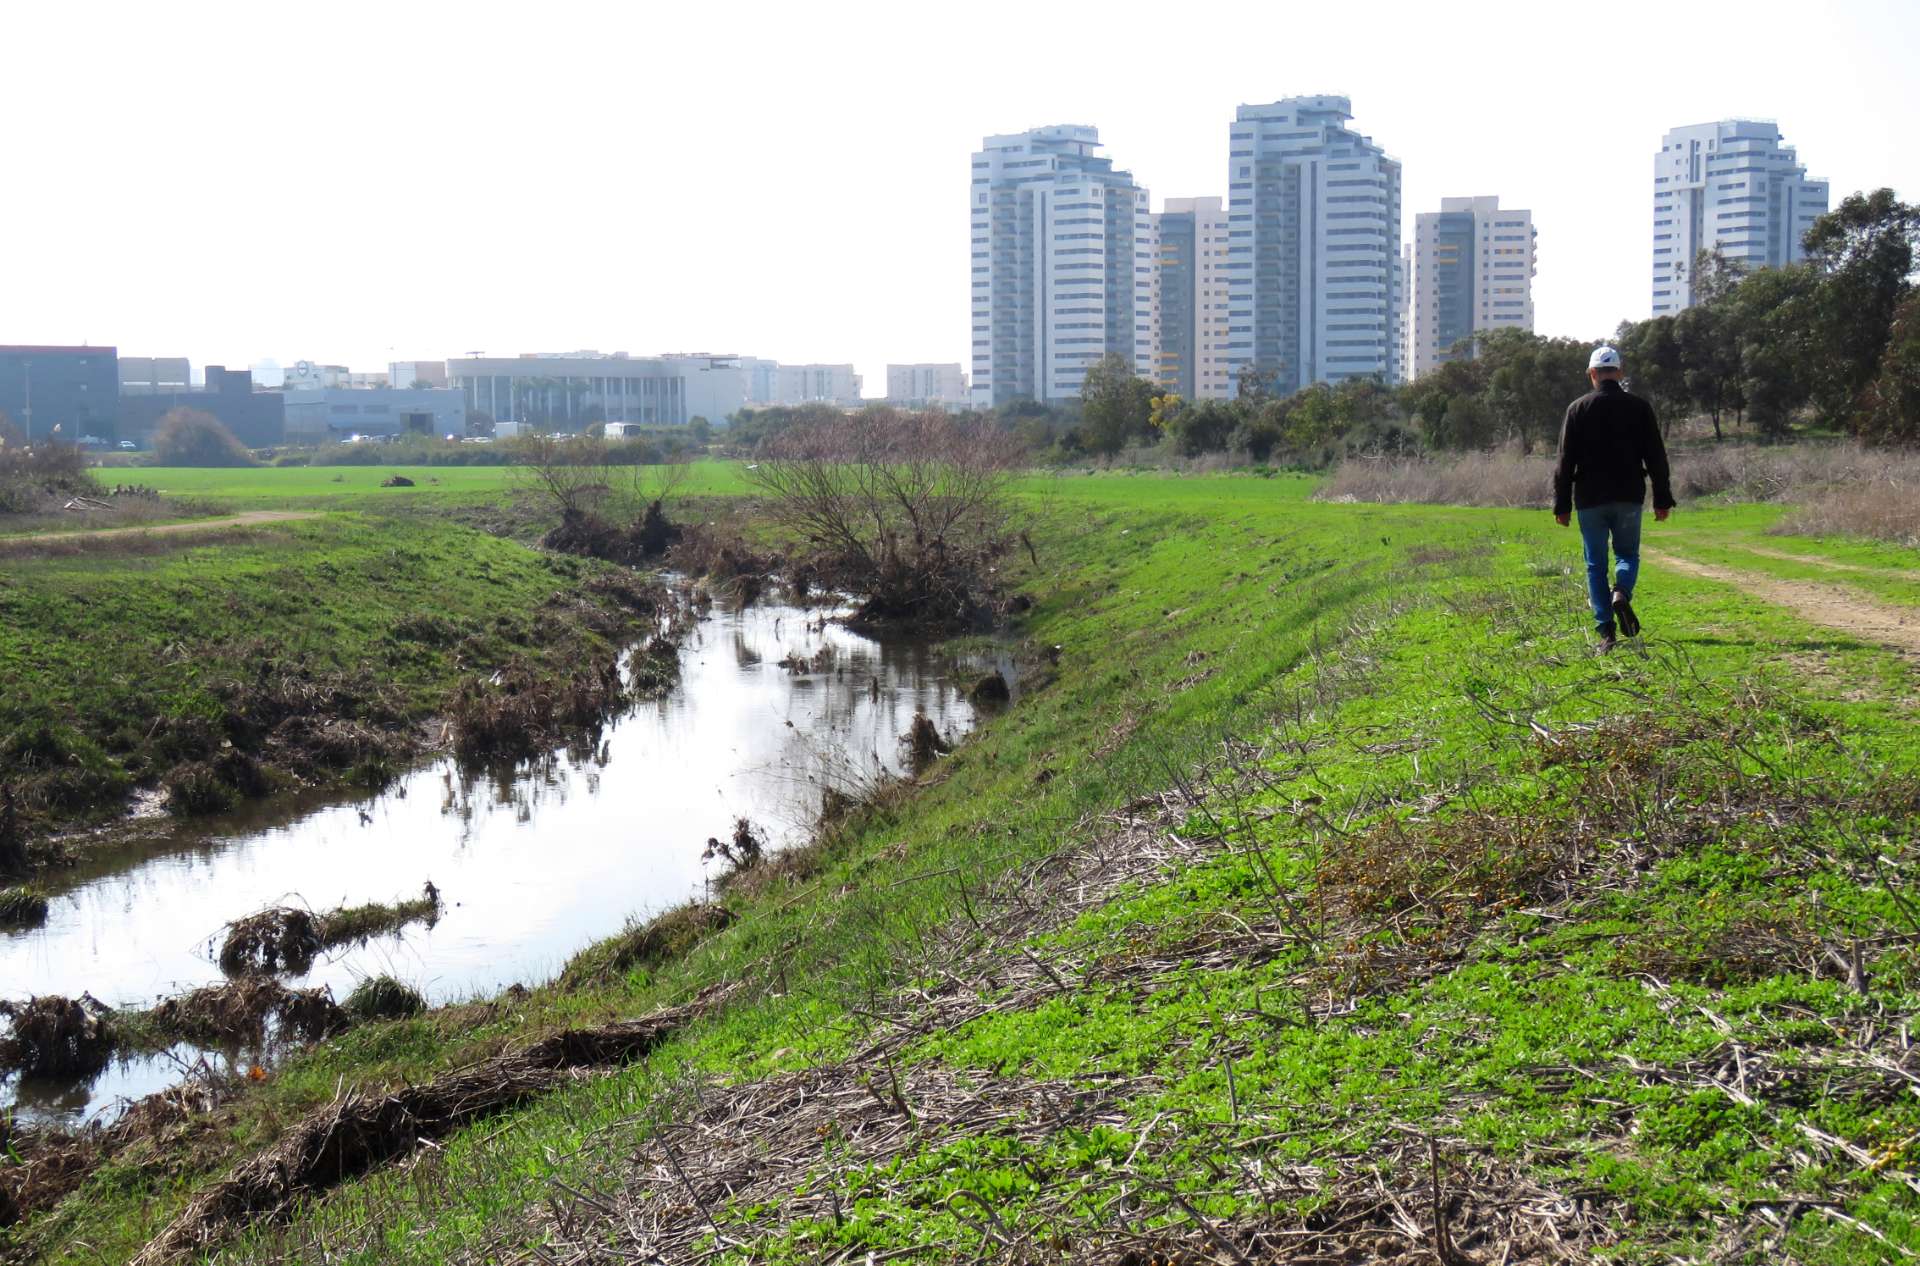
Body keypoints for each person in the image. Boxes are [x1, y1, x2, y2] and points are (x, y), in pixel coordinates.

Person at [1552, 346, 1674, 651]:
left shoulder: (1577, 409)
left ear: (1592, 374)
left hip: (1590, 499)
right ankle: (1620, 591)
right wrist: (1662, 498)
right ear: (1619, 373)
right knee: (1627, 556)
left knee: (1595, 564)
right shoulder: (1640, 407)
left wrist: (1562, 504)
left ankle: (1606, 632)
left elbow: (1565, 461)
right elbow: (1656, 457)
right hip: (1629, 496)